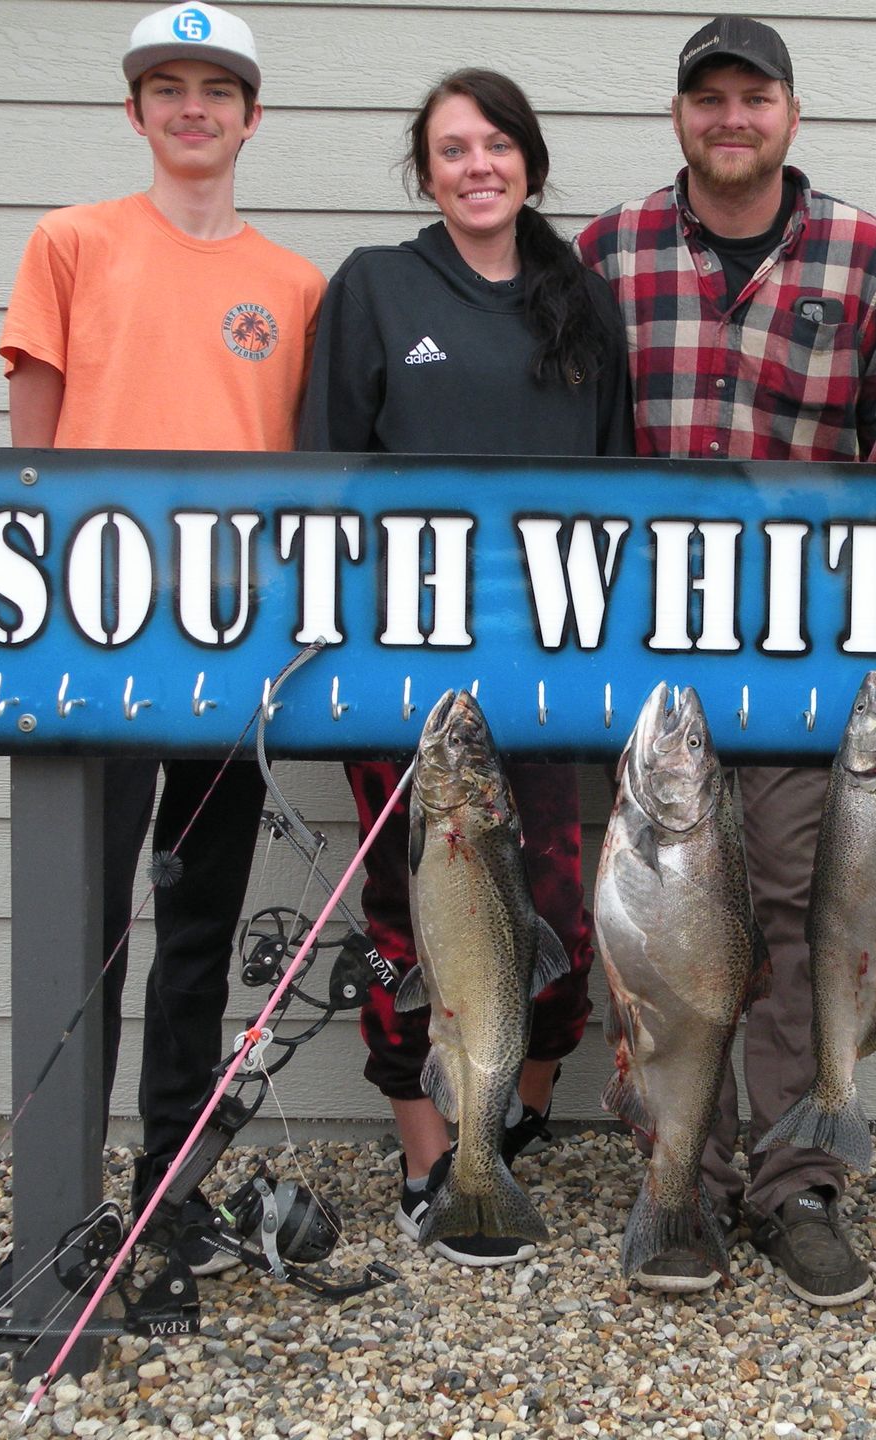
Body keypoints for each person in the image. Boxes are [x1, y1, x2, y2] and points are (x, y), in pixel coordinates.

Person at [578, 16, 876, 1306]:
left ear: (791, 112)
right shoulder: (608, 254)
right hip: (648, 657)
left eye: (755, 97)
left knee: (795, 912)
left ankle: (797, 1184)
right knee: (659, 928)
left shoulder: (868, 258)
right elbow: (565, 445)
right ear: (680, 114)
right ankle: (678, 1176)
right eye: (708, 97)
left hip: (798, 651)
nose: (732, 118)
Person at [0, 1, 326, 1272]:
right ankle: (63, 1196)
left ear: (251, 116)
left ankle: (167, 1186)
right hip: (93, 641)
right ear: (135, 111)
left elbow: (297, 474)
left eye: (217, 88)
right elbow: (31, 461)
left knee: (197, 927)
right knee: (86, 922)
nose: (193, 107)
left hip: (230, 659)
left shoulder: (291, 286)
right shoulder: (72, 243)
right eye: (168, 87)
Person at [297, 68, 632, 1267]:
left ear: (530, 163)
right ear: (425, 170)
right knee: (409, 910)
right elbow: (326, 478)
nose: (477, 165)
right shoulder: (379, 287)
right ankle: (426, 1142)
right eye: (451, 149)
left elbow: (615, 497)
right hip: (402, 669)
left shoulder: (581, 304)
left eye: (497, 144)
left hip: (543, 667)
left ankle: (520, 1106)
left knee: (554, 912)